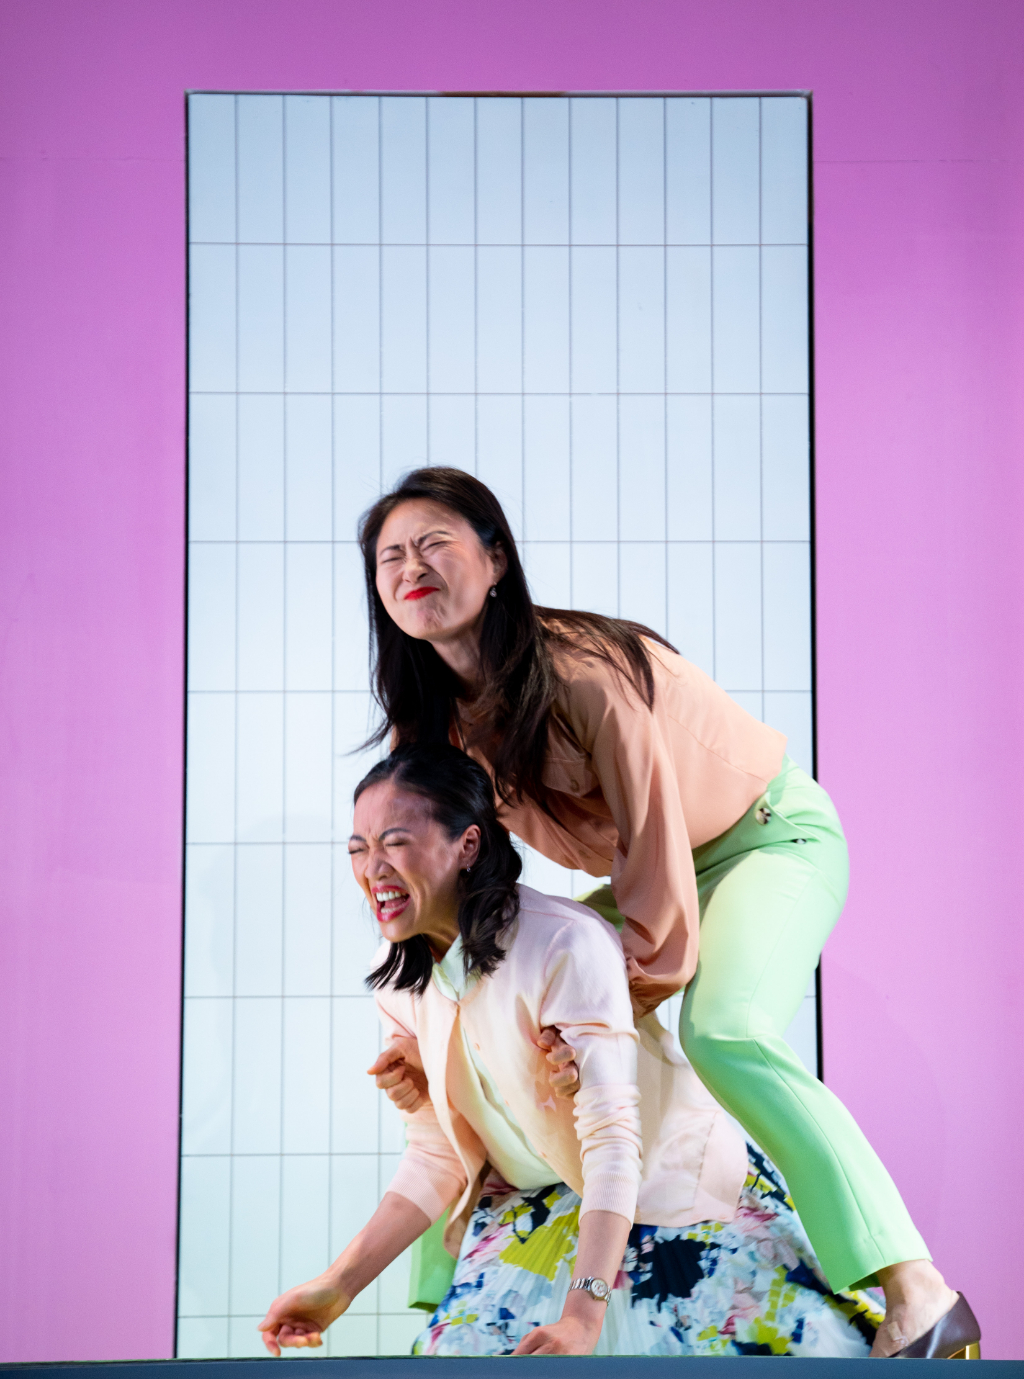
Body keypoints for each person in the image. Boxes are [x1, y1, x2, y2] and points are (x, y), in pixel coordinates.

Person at [353, 466, 980, 1361]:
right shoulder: (431, 724)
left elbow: (654, 853)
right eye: (391, 556)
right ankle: (466, 1287)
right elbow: (447, 884)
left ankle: (918, 1291)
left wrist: (603, 1009)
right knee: (489, 1003)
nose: (412, 566)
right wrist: (433, 1026)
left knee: (723, 1031)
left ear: (495, 560)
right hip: (660, 870)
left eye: (434, 544)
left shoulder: (582, 673)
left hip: (763, 839)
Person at [259, 744, 887, 1358]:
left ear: (467, 845)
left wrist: (583, 1315)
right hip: (543, 1196)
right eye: (358, 849)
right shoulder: (400, 977)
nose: (373, 868)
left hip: (661, 1182)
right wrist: (339, 1285)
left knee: (758, 1351)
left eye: (395, 843)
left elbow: (614, 1146)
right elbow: (434, 1154)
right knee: (460, 1353)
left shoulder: (564, 946)